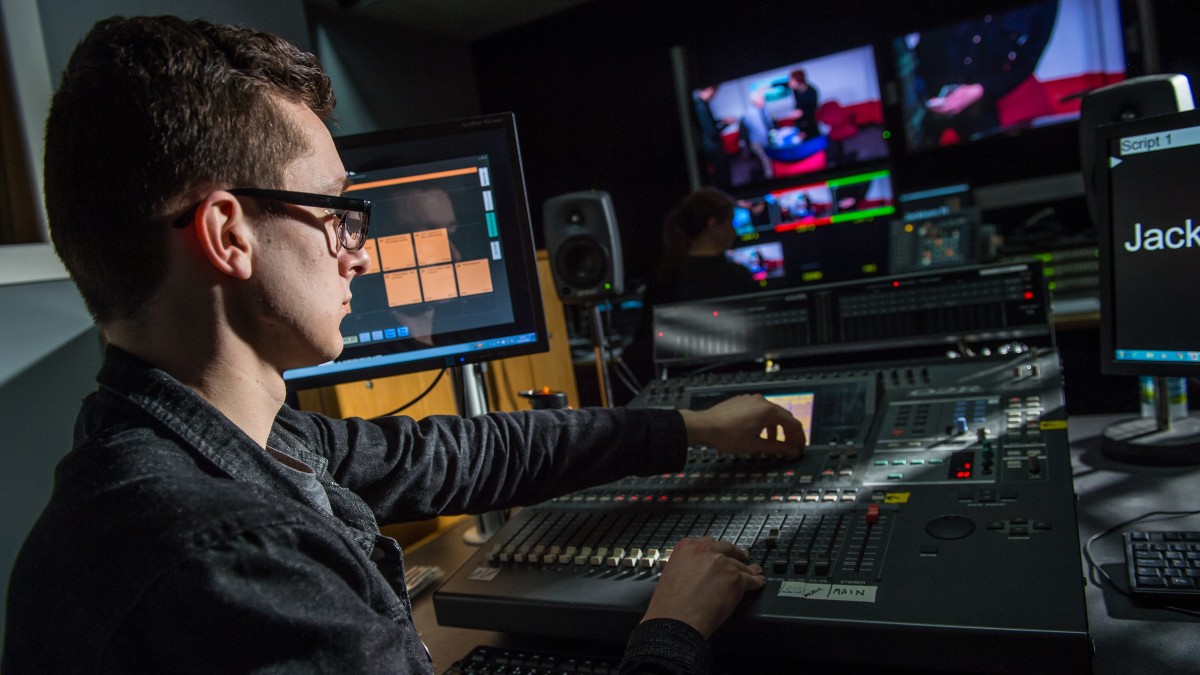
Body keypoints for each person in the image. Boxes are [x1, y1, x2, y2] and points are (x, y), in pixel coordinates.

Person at [1, 15, 805, 674]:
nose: (358, 251)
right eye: (337, 212)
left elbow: (458, 454)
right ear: (228, 234)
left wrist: (693, 427)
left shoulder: (198, 449)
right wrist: (672, 629)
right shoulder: (233, 556)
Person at [784, 69, 820, 141]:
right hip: (799, 123)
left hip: (810, 125)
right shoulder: (795, 90)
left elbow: (813, 109)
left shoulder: (812, 92)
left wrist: (801, 113)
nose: (790, 82)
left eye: (792, 80)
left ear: (799, 81)